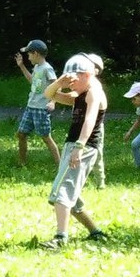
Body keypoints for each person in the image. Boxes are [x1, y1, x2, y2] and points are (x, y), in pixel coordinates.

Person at [46, 55, 111, 248]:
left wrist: (79, 147)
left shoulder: (93, 92)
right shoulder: (80, 93)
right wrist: (59, 82)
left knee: (62, 191)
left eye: (74, 80)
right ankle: (95, 231)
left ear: (87, 75)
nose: (71, 85)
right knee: (70, 193)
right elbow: (49, 94)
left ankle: (60, 238)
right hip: (73, 144)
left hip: (84, 146)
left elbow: (90, 119)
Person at [12, 40, 58, 166]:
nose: (28, 57)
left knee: (46, 137)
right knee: (21, 134)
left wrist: (53, 102)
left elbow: (58, 86)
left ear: (36, 53)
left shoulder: (47, 69)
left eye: (29, 54)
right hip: (30, 107)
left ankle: (60, 165)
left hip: (41, 109)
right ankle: (21, 163)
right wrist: (21, 65)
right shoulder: (37, 67)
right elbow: (32, 81)